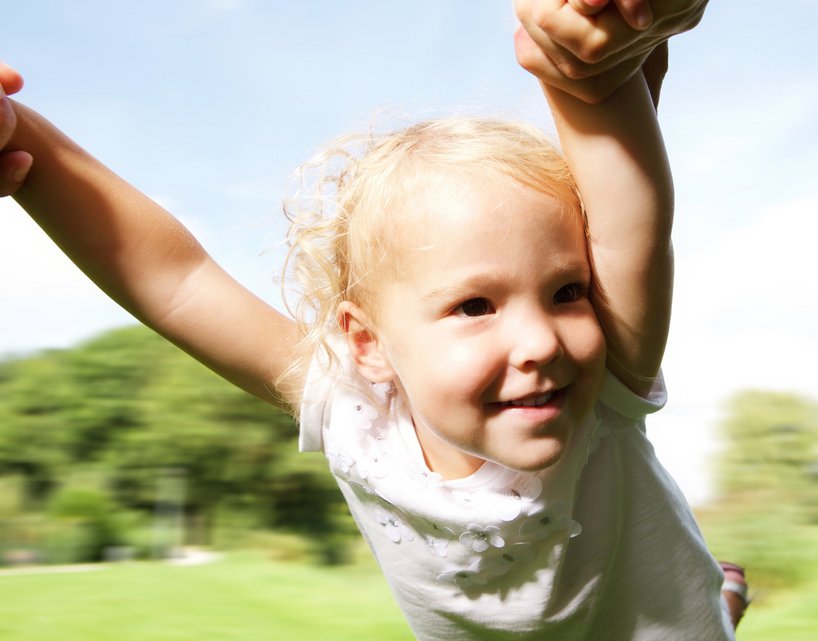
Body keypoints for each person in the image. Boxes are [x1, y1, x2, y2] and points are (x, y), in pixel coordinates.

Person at [1, 1, 745, 638]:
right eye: (474, 305)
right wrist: (20, 141)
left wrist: (596, 69)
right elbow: (176, 280)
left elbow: (631, 219)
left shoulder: (604, 387)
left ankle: (716, 596)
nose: (541, 341)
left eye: (567, 291)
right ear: (368, 342)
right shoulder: (359, 413)